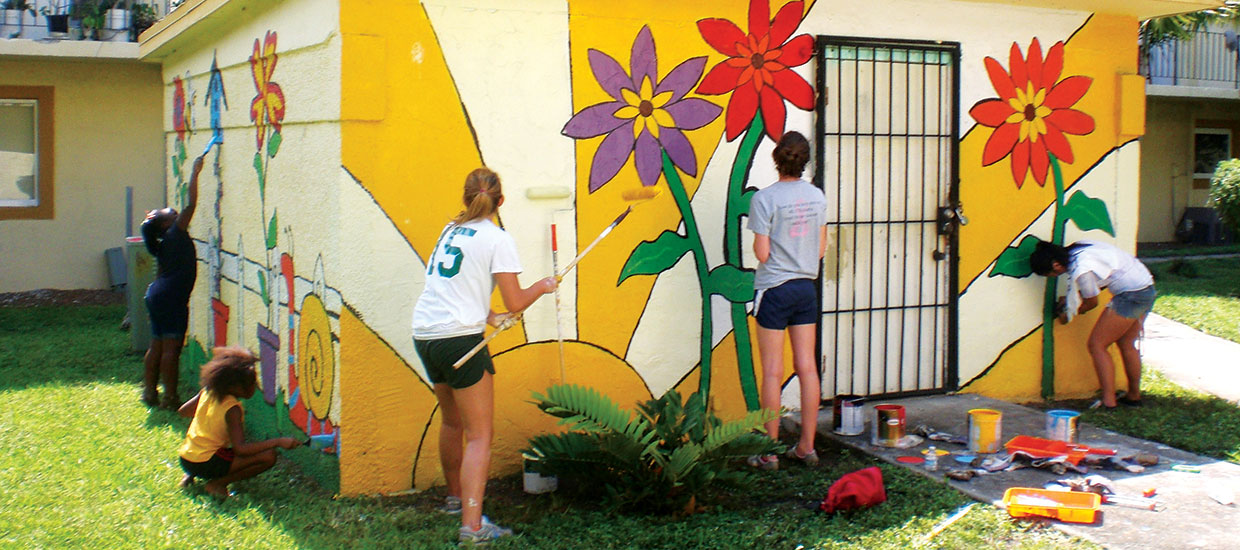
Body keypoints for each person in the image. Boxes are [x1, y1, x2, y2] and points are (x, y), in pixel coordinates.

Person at [412, 167, 557, 544]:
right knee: (479, 436)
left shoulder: (451, 229)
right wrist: (543, 286)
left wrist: (489, 316)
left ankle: (455, 500)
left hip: (427, 335)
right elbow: (516, 300)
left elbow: (453, 286)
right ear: (501, 201)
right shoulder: (496, 237)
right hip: (460, 340)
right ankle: (473, 528)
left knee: (452, 422)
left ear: (466, 198)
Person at [746, 131, 828, 470]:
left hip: (774, 290)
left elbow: (762, 253)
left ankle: (768, 451)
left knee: (771, 372)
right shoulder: (817, 196)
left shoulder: (764, 199)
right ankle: (806, 447)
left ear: (777, 158)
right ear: (804, 160)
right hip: (805, 289)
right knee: (807, 367)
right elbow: (821, 249)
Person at [1030, 239, 1156, 409]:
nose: (1053, 277)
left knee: (1097, 345)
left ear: (1056, 266)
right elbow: (1104, 279)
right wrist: (1071, 301)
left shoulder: (1082, 269)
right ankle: (1134, 396)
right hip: (1146, 287)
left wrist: (1069, 311)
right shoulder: (1080, 248)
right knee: (1126, 344)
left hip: (1130, 296)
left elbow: (1091, 302)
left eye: (1049, 274)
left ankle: (1108, 401)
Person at [177, 346, 301, 499]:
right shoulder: (232, 409)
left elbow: (184, 411)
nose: (255, 386)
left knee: (213, 448)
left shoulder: (208, 391)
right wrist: (278, 441)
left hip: (186, 458)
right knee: (269, 456)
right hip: (206, 462)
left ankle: (190, 475)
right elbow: (241, 449)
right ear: (234, 386)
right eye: (251, 383)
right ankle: (218, 484)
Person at [140, 155, 204, 409]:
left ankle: (149, 392)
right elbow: (190, 206)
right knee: (171, 349)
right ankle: (170, 397)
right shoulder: (175, 234)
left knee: (157, 344)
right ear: (166, 224)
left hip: (158, 295)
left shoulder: (165, 243)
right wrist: (195, 173)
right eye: (167, 212)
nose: (172, 210)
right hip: (171, 298)